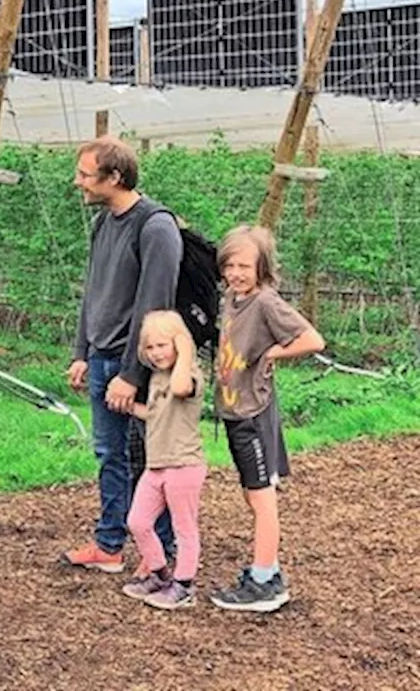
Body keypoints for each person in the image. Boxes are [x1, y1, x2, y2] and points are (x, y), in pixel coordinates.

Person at [63, 135, 181, 575]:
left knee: (154, 457)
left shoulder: (155, 227)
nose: (78, 183)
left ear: (114, 177)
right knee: (110, 454)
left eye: (85, 175)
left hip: (140, 368)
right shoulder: (104, 223)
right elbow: (93, 292)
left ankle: (164, 553)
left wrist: (132, 374)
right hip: (101, 359)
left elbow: (155, 307)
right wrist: (83, 352)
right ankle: (109, 544)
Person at [209, 225, 324, 613]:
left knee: (262, 500)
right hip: (233, 409)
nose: (236, 273)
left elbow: (311, 340)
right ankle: (268, 570)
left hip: (252, 413)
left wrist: (272, 354)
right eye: (230, 265)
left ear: (263, 267)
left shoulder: (265, 303)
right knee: (250, 493)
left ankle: (263, 583)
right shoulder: (232, 297)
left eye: (245, 266)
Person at [121, 310, 207, 611]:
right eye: (151, 347)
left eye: (163, 345)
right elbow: (156, 415)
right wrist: (129, 406)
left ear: (180, 344)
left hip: (183, 464)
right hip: (156, 465)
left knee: (184, 527)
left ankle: (184, 585)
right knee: (138, 521)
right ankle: (158, 573)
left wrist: (185, 350)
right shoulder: (158, 378)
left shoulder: (191, 374)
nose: (157, 353)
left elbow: (181, 388)